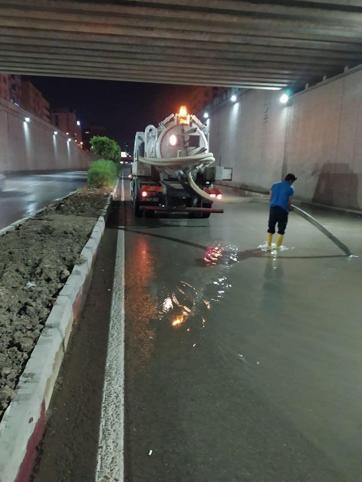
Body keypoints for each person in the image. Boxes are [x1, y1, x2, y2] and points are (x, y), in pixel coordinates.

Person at [266, 173, 297, 249]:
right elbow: (289, 202)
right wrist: (290, 208)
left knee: (271, 227)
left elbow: (270, 198)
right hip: (283, 211)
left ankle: (268, 246)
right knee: (281, 229)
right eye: (293, 181)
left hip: (273, 209)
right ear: (290, 180)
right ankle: (277, 248)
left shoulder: (274, 185)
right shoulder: (290, 188)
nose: (293, 183)